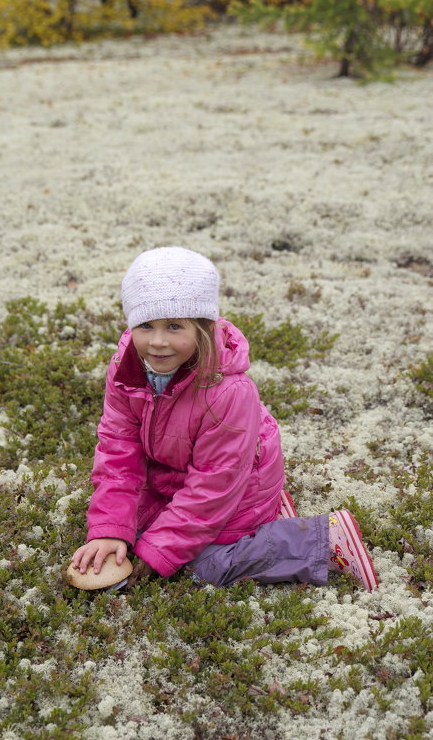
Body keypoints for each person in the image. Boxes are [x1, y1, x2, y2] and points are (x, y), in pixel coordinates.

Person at [71, 247, 378, 592]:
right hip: (173, 480)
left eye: (174, 326)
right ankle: (270, 518)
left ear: (203, 326)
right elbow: (118, 452)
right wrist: (111, 531)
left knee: (202, 566)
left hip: (237, 489)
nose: (157, 342)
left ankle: (323, 541)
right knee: (127, 534)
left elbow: (214, 486)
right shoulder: (126, 369)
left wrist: (156, 554)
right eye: (145, 325)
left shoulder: (228, 392)